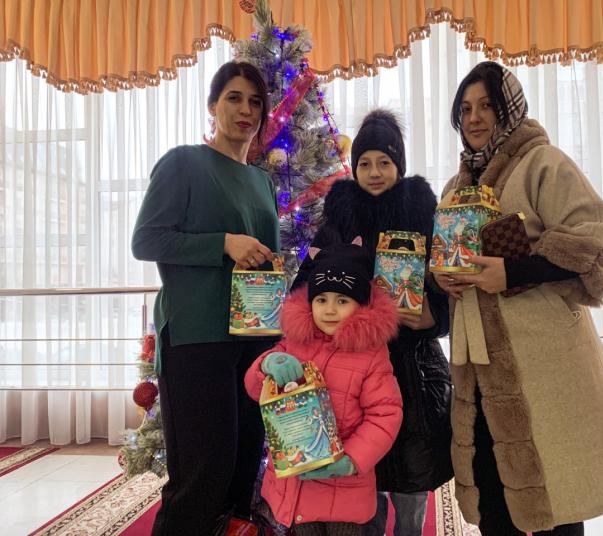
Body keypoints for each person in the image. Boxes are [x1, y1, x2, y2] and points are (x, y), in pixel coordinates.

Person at [432, 61, 603, 536]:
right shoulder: (455, 187)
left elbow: (588, 243)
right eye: (465, 109)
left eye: (486, 105)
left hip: (544, 362)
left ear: (509, 109)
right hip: (478, 364)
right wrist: (443, 278)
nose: (474, 118)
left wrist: (513, 272)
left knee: (558, 482)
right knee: (492, 483)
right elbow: (449, 256)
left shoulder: (545, 163)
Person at [131, 61, 279, 536]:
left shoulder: (262, 181)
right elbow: (146, 240)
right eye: (234, 98)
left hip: (254, 339)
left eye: (255, 102)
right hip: (197, 337)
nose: (245, 109)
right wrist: (224, 244)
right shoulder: (183, 163)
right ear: (213, 106)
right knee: (202, 476)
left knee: (241, 470)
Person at [293, 110, 453, 536]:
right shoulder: (337, 223)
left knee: (412, 485)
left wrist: (432, 317)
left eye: (384, 162)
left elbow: (450, 289)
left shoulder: (425, 217)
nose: (375, 172)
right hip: (353, 375)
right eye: (365, 163)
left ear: (399, 164)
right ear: (354, 167)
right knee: (366, 483)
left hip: (413, 371)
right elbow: (305, 288)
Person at [244, 243, 404, 536]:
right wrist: (266, 364)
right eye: (321, 299)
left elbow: (386, 415)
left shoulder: (371, 354)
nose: (330, 309)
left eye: (342, 300)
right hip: (294, 486)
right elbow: (256, 391)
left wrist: (352, 460)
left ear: (360, 304)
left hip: (344, 491)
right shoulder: (294, 342)